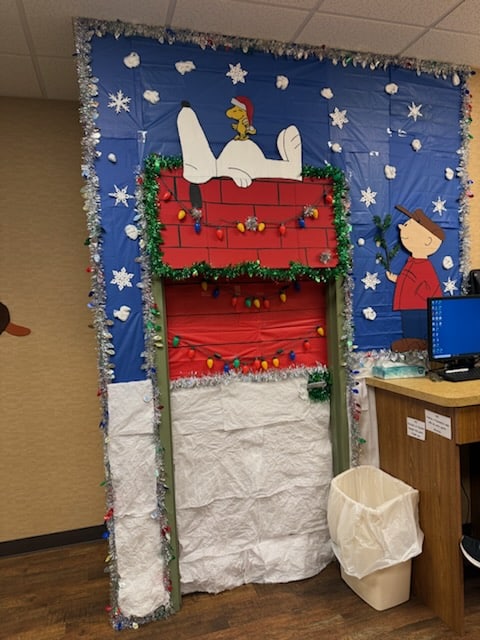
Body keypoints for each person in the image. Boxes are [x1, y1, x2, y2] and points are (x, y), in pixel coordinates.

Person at [386, 204, 445, 351]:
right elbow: (408, 279)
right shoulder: (412, 262)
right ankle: (410, 342)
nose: (401, 227)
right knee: (408, 325)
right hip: (409, 304)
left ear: (428, 241)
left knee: (419, 326)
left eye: (407, 226)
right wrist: (396, 279)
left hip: (419, 305)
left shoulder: (424, 266)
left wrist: (416, 292)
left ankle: (420, 344)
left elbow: (429, 287)